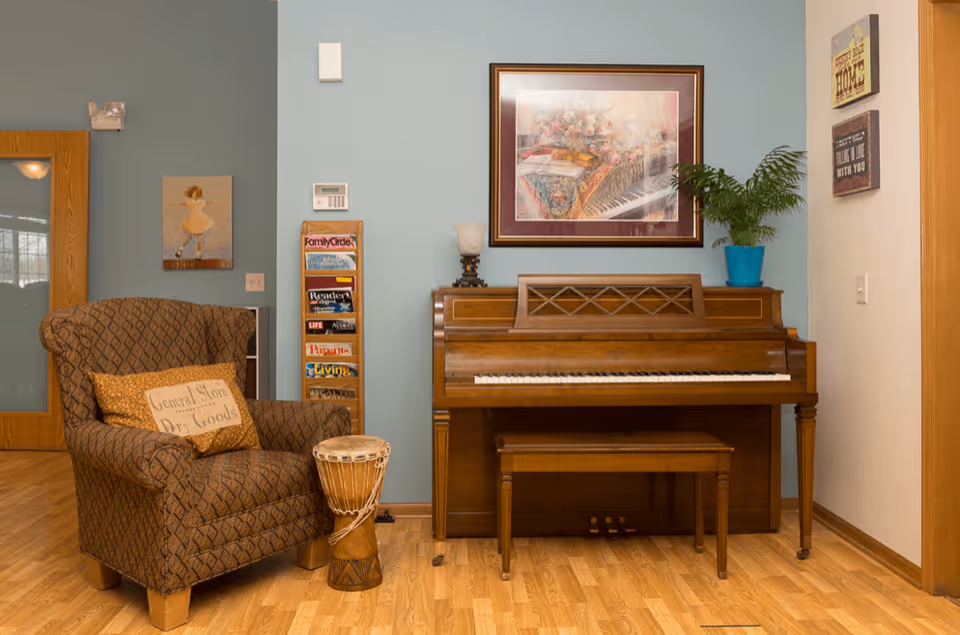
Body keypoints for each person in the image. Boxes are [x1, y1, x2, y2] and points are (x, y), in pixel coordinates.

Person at [168, 185, 225, 260]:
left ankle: (198, 255)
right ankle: (180, 249)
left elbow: (209, 202)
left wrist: (220, 203)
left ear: (199, 195)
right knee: (189, 238)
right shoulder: (190, 202)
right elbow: (182, 203)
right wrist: (172, 204)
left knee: (199, 239)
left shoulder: (201, 202)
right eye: (193, 195)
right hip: (193, 222)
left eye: (195, 194)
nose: (194, 196)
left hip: (200, 221)